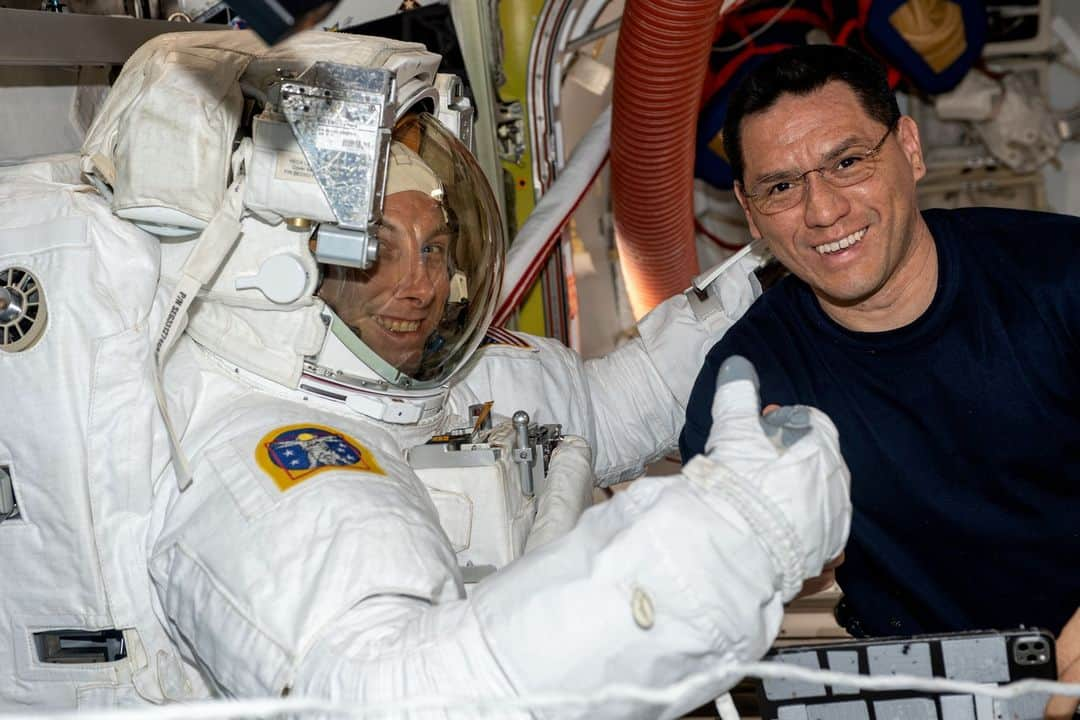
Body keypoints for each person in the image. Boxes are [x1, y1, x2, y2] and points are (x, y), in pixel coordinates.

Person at [0, 29, 852, 714]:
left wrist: (774, 262)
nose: (425, 286)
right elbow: (390, 697)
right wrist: (735, 542)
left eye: (436, 246)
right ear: (282, 269)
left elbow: (610, 404)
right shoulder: (270, 463)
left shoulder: (434, 379)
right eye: (375, 250)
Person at [680, 41, 1080, 683]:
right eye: (781, 186)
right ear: (749, 210)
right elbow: (710, 588)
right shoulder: (748, 385)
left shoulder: (1060, 277)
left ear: (910, 150)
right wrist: (767, 531)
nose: (823, 210)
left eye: (847, 161)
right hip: (923, 684)